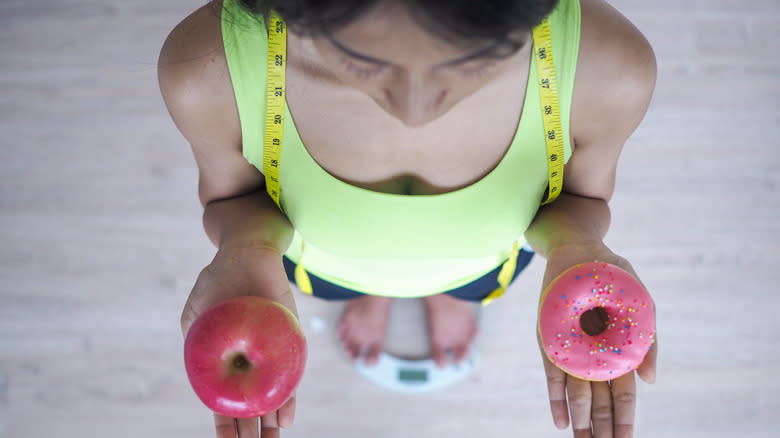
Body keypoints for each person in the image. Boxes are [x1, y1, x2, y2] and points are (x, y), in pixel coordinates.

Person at [158, 0, 658, 436]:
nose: (415, 110)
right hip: (326, 269)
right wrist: (247, 253)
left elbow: (582, 200)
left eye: (469, 61)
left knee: (473, 281)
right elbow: (228, 200)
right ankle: (377, 293)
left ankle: (445, 292)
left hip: (478, 264)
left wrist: (576, 246)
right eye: (362, 61)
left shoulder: (609, 68)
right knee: (345, 284)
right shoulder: (208, 69)